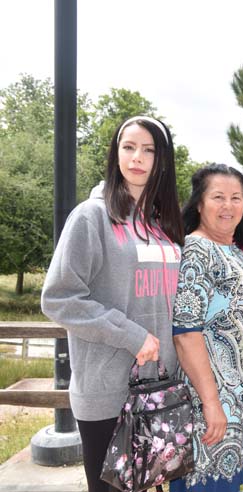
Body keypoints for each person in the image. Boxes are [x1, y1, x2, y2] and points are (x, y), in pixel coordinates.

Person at [41, 116, 184, 492]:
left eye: (149, 150)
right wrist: (133, 336)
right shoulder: (91, 216)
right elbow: (59, 298)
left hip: (159, 389)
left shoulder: (161, 225)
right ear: (116, 153)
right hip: (108, 392)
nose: (137, 157)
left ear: (162, 160)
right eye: (129, 147)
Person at [169, 164, 243, 492]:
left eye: (236, 198)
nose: (228, 206)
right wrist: (212, 403)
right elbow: (186, 332)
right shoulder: (198, 250)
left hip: (238, 407)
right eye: (218, 197)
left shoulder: (233, 250)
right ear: (199, 203)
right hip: (209, 406)